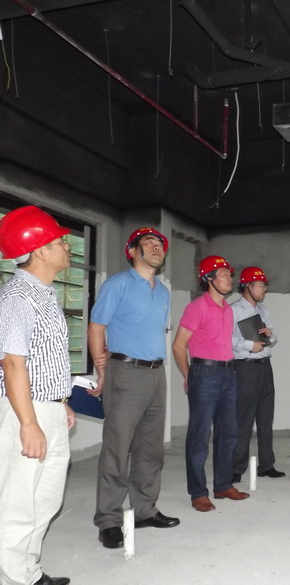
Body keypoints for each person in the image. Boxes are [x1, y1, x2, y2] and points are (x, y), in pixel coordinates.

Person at [89, 227, 179, 550]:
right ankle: (109, 521)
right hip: (125, 372)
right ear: (132, 251)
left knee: (150, 449)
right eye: (148, 243)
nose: (156, 247)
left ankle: (144, 510)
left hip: (156, 374)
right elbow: (96, 328)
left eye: (160, 244)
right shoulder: (118, 284)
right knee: (117, 448)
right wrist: (102, 372)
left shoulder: (163, 292)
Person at [0, 205, 74, 585]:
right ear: (40, 251)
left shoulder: (45, 294)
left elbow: (45, 359)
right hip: (25, 411)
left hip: (49, 409)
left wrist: (62, 403)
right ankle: (12, 578)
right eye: (60, 241)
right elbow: (13, 363)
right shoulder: (18, 297)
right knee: (19, 503)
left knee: (45, 500)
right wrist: (28, 423)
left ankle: (28, 572)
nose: (67, 247)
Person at [171, 256, 249, 512]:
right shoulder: (197, 307)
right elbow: (178, 346)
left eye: (229, 274)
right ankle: (198, 492)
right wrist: (188, 375)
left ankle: (223, 485)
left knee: (229, 433)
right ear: (209, 279)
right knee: (199, 436)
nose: (230, 278)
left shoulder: (228, 309)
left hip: (228, 373)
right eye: (224, 274)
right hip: (204, 374)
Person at [230, 267, 284, 482]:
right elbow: (226, 339)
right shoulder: (233, 310)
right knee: (243, 418)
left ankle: (266, 464)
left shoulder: (263, 311)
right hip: (245, 368)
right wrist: (248, 345)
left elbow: (273, 338)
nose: (264, 289)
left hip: (264, 367)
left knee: (265, 417)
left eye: (264, 286)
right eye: (260, 285)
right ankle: (236, 468)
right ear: (247, 286)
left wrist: (271, 335)